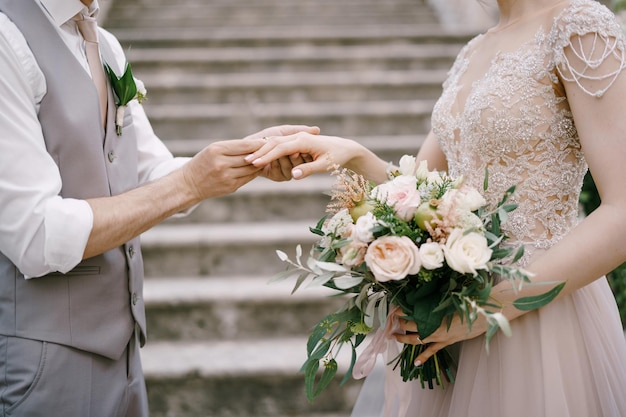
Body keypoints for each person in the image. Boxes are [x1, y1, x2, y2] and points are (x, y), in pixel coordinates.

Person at [247, 0, 626, 415]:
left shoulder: (581, 27)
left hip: (541, 318)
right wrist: (353, 156)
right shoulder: (474, 50)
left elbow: (622, 212)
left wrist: (488, 308)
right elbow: (425, 193)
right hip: (453, 311)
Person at [0, 0, 317, 416]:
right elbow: (36, 233)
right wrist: (189, 183)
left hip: (124, 353)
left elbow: (151, 171)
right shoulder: (7, 39)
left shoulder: (104, 44)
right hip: (45, 360)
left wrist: (248, 159)